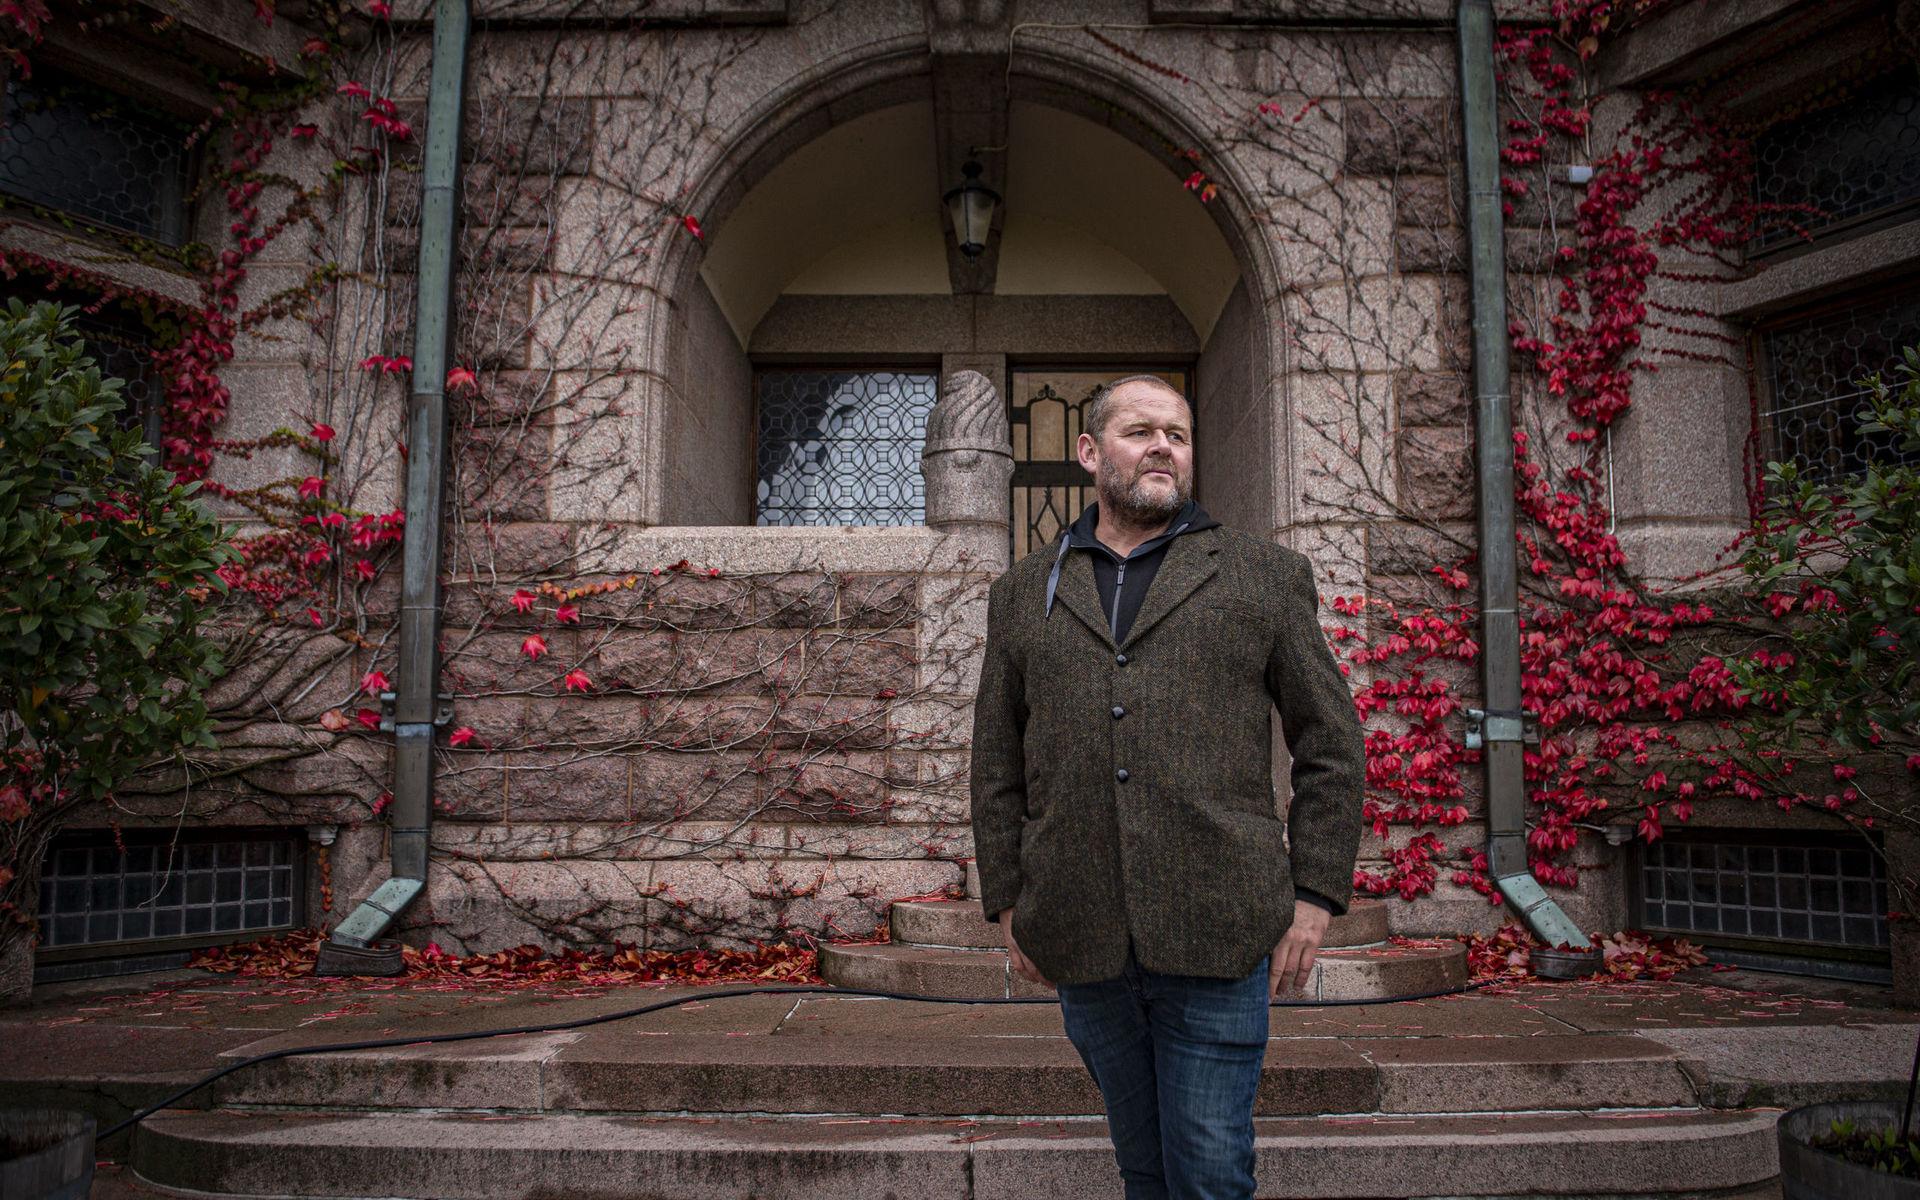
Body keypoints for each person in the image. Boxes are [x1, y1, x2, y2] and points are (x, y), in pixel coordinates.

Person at [968, 373, 1367, 1200]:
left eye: (1177, 434)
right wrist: (1009, 901)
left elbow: (1331, 741)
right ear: (1089, 453)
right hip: (1082, 934)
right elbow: (996, 759)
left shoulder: (1263, 577)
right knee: (1143, 1169)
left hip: (1221, 925)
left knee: (1211, 1172)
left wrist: (1317, 893)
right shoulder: (1021, 593)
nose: (1162, 447)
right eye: (1140, 430)